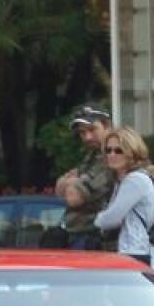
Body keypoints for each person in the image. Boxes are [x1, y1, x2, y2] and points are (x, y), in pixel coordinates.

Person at [93, 126, 154, 265]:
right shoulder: (123, 179)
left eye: (118, 150)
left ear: (132, 152)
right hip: (127, 250)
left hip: (133, 252)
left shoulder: (135, 180)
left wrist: (97, 220)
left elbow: (112, 218)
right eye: (108, 150)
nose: (112, 155)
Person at [56, 106, 115, 250]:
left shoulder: (111, 157)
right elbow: (59, 189)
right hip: (81, 234)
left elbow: (74, 197)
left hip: (96, 237)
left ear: (107, 125)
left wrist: (72, 182)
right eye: (82, 132)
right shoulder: (93, 155)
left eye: (92, 129)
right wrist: (71, 182)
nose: (87, 137)